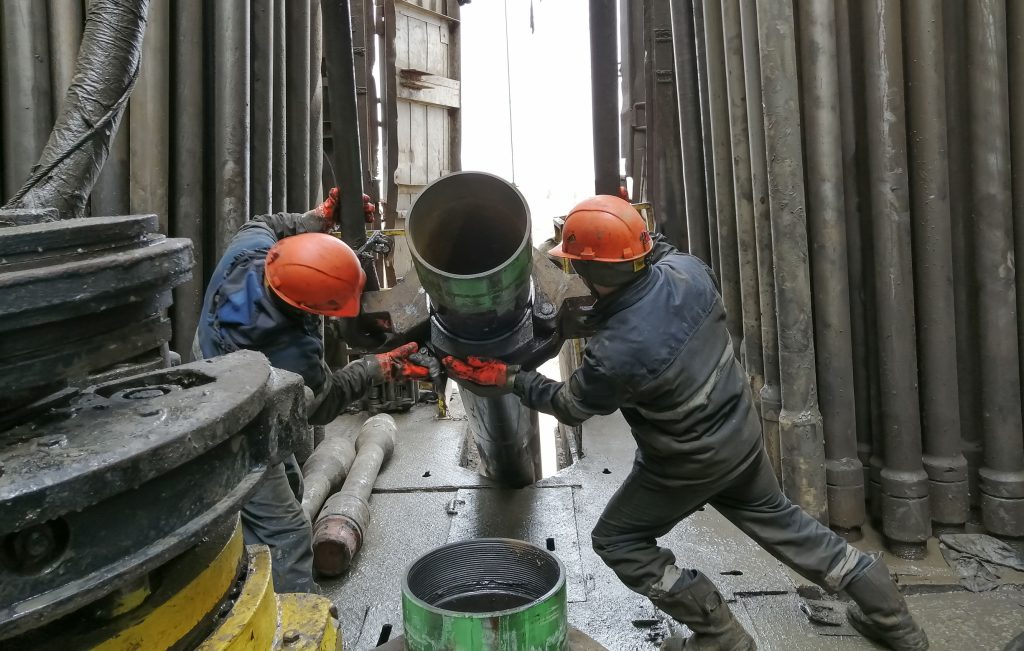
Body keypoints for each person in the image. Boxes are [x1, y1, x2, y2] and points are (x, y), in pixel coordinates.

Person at [443, 195, 928, 651]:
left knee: (618, 540)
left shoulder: (615, 353)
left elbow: (570, 405)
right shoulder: (691, 272)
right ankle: (894, 621)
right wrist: (618, 223)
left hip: (686, 462)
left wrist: (508, 376)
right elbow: (661, 254)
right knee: (784, 523)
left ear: (589, 269)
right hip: (738, 433)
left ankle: (720, 633)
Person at [195, 187, 437, 594]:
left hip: (204, 365)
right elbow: (324, 404)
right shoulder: (290, 348)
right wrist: (377, 367)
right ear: (308, 308)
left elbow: (265, 223)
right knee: (286, 532)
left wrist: (320, 218)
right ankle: (294, 623)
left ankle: (250, 567)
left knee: (290, 483)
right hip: (236, 422)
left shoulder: (250, 251)